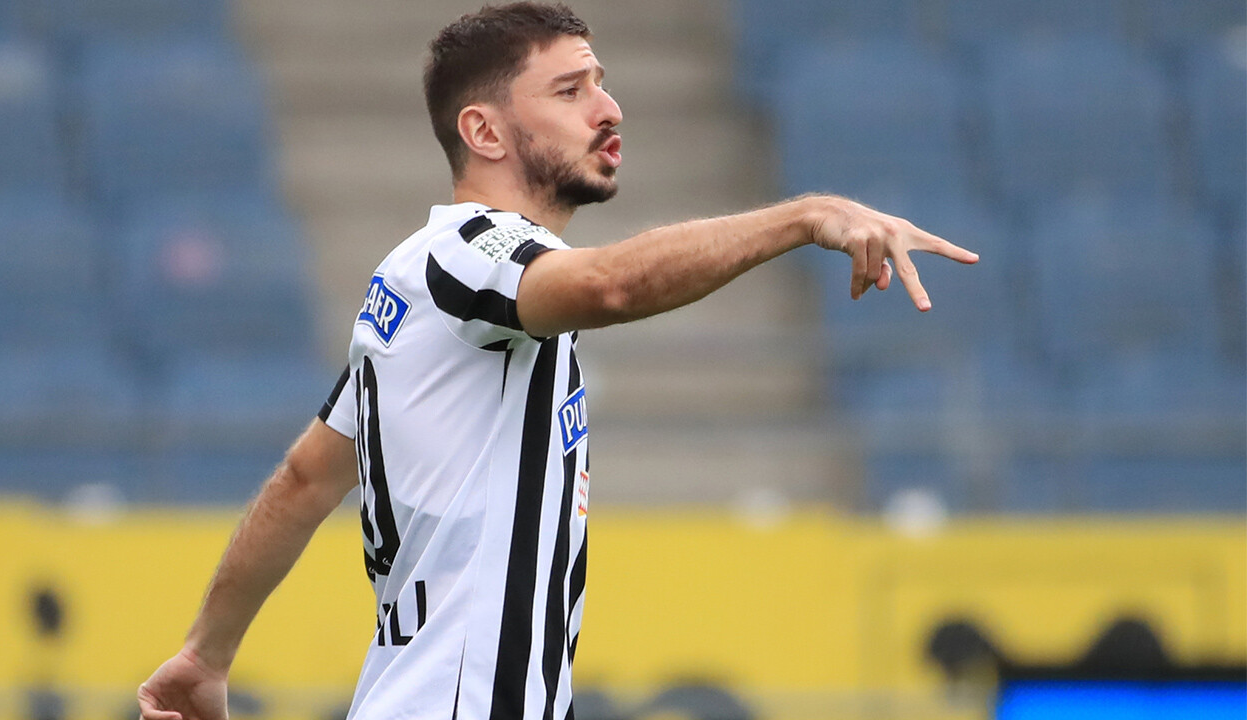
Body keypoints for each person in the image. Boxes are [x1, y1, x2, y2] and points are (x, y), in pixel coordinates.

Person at [136, 3, 979, 719]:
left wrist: (206, 654)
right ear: (483, 131)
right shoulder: (470, 252)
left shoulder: (412, 285)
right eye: (570, 91)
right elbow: (611, 286)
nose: (608, 109)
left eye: (601, 83)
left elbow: (305, 479)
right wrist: (805, 216)